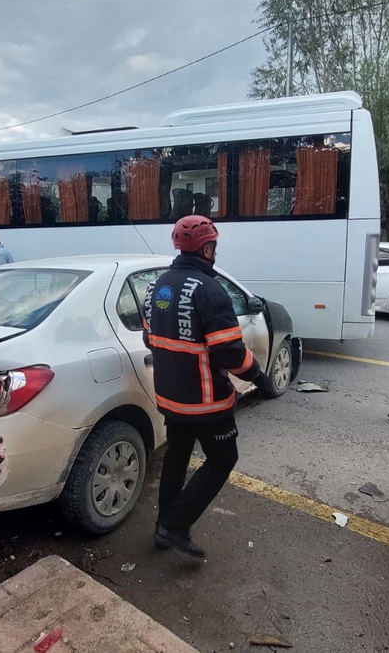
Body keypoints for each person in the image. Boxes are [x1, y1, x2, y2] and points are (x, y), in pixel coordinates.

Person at [143, 215, 275, 559]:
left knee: (177, 453)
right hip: (205, 401)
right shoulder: (211, 291)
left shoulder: (155, 286)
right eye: (213, 245)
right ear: (208, 247)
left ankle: (163, 528)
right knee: (222, 458)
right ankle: (174, 525)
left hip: (169, 396)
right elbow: (230, 352)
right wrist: (258, 376)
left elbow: (149, 335)